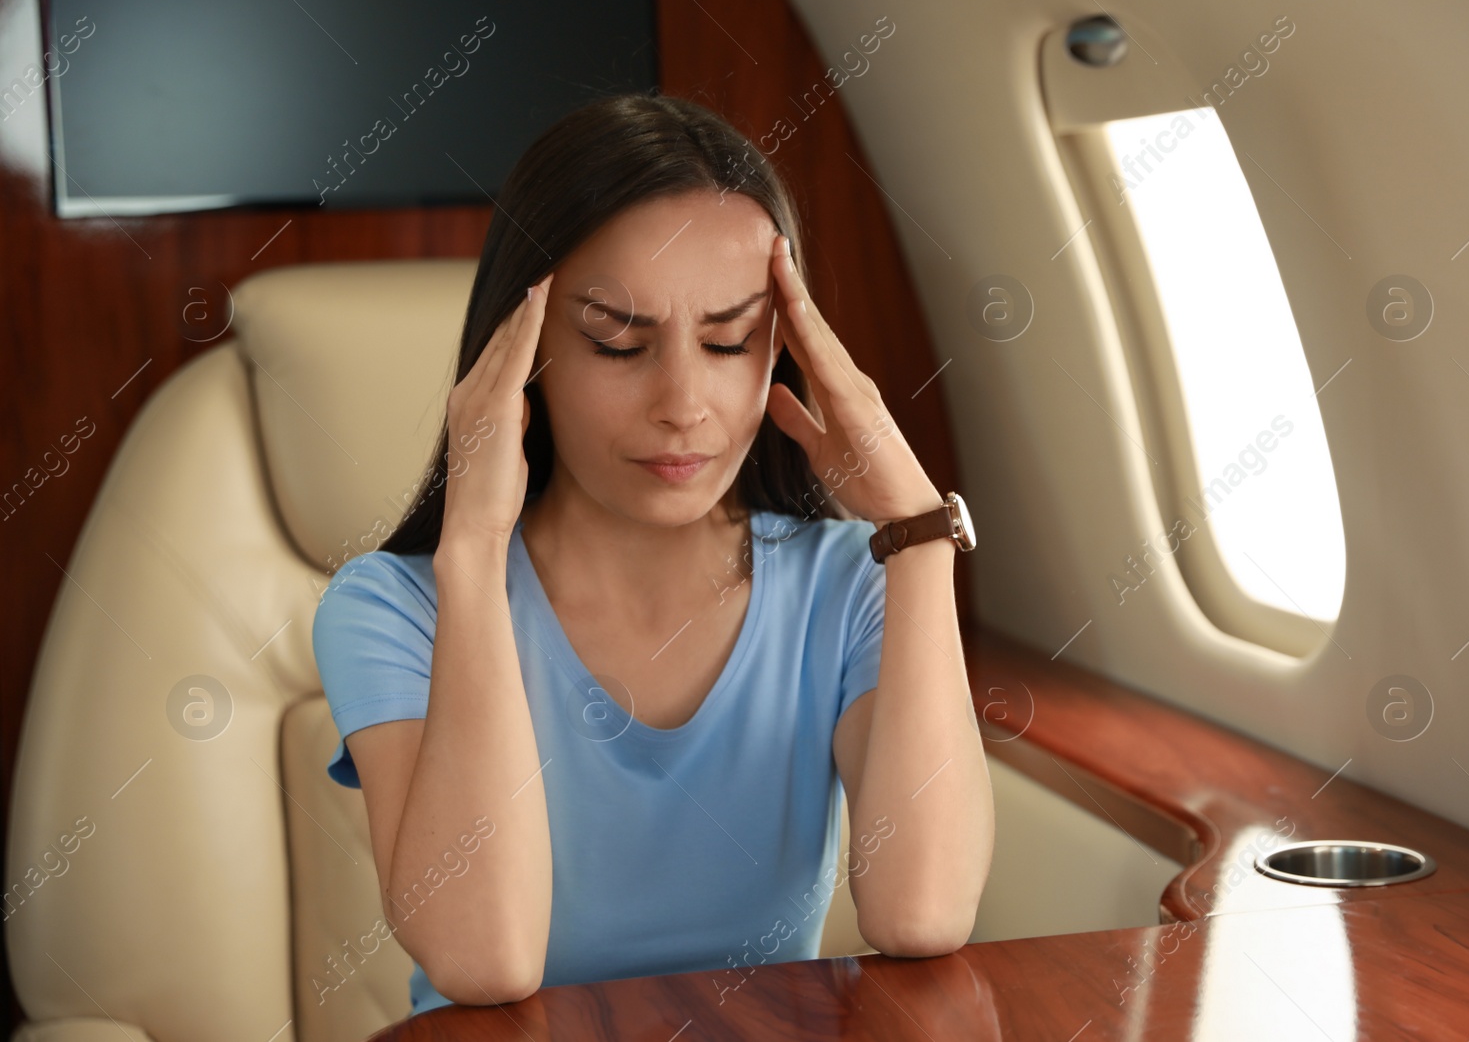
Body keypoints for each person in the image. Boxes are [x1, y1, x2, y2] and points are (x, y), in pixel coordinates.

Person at [311, 91, 994, 1015]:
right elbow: (485, 960)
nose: (683, 402)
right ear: (522, 355)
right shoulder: (393, 607)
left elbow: (922, 913)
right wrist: (472, 552)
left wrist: (916, 533)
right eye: (617, 342)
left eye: (729, 340)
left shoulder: (851, 585)